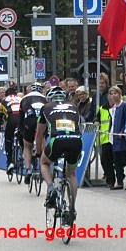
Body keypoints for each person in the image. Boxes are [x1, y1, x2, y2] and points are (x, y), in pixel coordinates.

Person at [35, 86, 82, 219]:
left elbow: (39, 134)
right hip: (76, 140)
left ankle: (51, 188)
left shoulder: (46, 107)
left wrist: (39, 152)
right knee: (71, 174)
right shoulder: (74, 106)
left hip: (57, 140)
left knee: (44, 163)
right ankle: (72, 208)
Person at [19, 82, 47, 184]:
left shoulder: (24, 98)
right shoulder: (45, 98)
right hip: (41, 120)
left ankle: (28, 169)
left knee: (27, 146)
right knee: (43, 137)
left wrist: (22, 131)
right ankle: (42, 165)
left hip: (29, 120)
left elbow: (21, 117)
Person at [108, 86, 126, 190]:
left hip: (122, 138)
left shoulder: (123, 106)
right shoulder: (113, 107)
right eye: (111, 94)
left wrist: (123, 130)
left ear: (119, 94)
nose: (113, 96)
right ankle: (119, 182)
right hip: (114, 138)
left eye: (115, 93)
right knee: (117, 162)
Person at [0, 86, 22, 174]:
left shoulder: (4, 101)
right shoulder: (20, 99)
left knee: (8, 140)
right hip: (22, 120)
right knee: (23, 138)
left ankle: (10, 161)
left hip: (11, 120)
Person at [95, 94, 116, 188]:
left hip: (116, 137)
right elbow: (96, 118)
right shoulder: (102, 108)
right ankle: (110, 180)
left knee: (118, 160)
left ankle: (120, 179)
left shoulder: (119, 107)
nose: (112, 98)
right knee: (105, 160)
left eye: (114, 96)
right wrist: (95, 121)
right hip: (105, 138)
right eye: (110, 96)